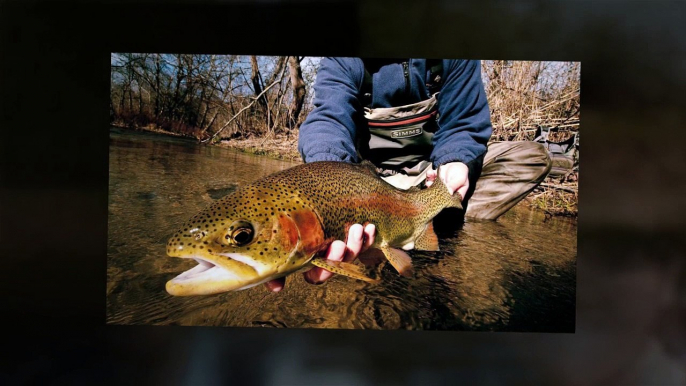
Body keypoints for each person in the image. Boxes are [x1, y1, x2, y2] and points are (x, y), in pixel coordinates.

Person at [265, 58, 551, 292]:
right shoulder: (345, 59)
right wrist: (328, 188)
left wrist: (456, 162)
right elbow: (329, 118)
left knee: (530, 157)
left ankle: (444, 219)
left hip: (435, 175)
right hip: (373, 185)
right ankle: (410, 232)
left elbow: (464, 123)